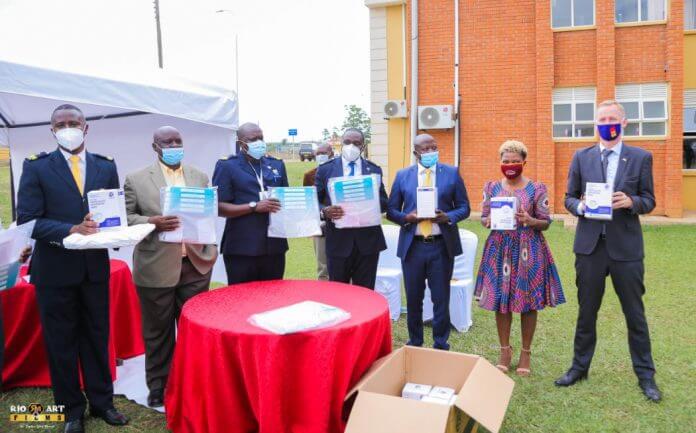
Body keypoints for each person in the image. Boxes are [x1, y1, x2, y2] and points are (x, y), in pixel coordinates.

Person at [16, 104, 129, 433]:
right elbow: (28, 221)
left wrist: (119, 233)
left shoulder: (105, 166)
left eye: (74, 122)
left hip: (93, 268)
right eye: (61, 124)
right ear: (52, 130)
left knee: (97, 337)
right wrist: (70, 229)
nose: (68, 128)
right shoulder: (37, 167)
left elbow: (113, 212)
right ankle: (71, 411)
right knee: (61, 341)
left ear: (86, 127)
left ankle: (103, 402)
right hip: (54, 269)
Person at [556, 100, 661, 402]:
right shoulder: (582, 156)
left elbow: (649, 200)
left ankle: (646, 376)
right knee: (586, 313)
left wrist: (631, 202)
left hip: (626, 250)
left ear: (624, 123)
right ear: (596, 123)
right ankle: (579, 368)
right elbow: (568, 197)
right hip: (590, 248)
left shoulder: (640, 158)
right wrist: (580, 206)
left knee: (635, 314)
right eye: (602, 119)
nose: (607, 123)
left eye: (612, 118)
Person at [124, 126, 218, 408]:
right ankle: (158, 385)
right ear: (155, 146)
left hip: (195, 264)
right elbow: (125, 217)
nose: (174, 145)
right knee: (158, 332)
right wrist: (152, 221)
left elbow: (208, 214)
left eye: (178, 140)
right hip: (156, 266)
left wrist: (209, 248)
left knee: (194, 331)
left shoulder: (199, 176)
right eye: (167, 142)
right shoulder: (136, 179)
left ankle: (195, 382)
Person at [474, 140, 565, 375]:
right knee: (501, 302)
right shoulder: (492, 188)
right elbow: (484, 217)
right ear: (500, 163)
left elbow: (545, 222)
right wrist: (489, 220)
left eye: (515, 161)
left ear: (524, 162)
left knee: (527, 301)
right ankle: (505, 350)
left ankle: (526, 352)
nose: (510, 165)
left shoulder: (536, 189)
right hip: (499, 250)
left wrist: (530, 220)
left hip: (528, 249)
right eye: (506, 161)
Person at [387, 134, 470, 350]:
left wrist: (448, 217)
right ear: (416, 153)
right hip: (412, 247)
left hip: (441, 245)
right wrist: (407, 218)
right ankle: (415, 342)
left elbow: (464, 207)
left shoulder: (451, 173)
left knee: (441, 298)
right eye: (426, 149)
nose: (431, 151)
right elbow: (391, 210)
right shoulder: (403, 175)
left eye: (434, 147)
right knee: (414, 299)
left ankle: (440, 343)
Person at [213, 122, 288, 284]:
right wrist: (253, 207)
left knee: (273, 299)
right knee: (242, 301)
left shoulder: (277, 165)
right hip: (242, 247)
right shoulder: (227, 166)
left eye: (261, 138)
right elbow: (218, 207)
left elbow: (286, 200)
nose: (259, 143)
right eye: (253, 139)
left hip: (274, 246)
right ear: (241, 143)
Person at [315, 128, 388, 289]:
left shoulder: (373, 169)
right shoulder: (325, 169)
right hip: (338, 241)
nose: (351, 146)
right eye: (347, 142)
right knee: (339, 291)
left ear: (363, 146)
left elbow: (384, 201)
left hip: (368, 242)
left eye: (356, 143)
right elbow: (315, 201)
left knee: (366, 291)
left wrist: (373, 202)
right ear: (341, 144)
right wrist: (325, 211)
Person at [302, 142, 334, 280]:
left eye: (324, 153)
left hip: (341, 222)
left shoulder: (338, 170)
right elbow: (308, 201)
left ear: (331, 154)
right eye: (318, 154)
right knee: (323, 265)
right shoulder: (309, 175)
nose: (321, 156)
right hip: (320, 224)